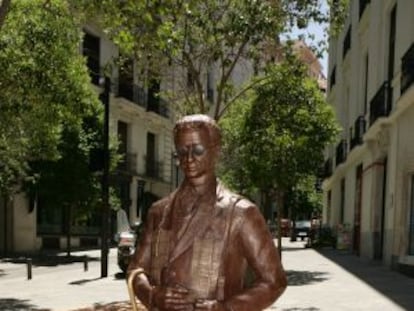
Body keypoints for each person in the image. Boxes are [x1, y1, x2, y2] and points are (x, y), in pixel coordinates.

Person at [127, 114, 287, 311]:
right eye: (182, 151)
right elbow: (135, 270)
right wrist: (152, 295)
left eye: (198, 150)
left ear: (216, 150)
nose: (189, 158)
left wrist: (226, 307)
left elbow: (274, 281)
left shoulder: (241, 213)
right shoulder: (158, 211)